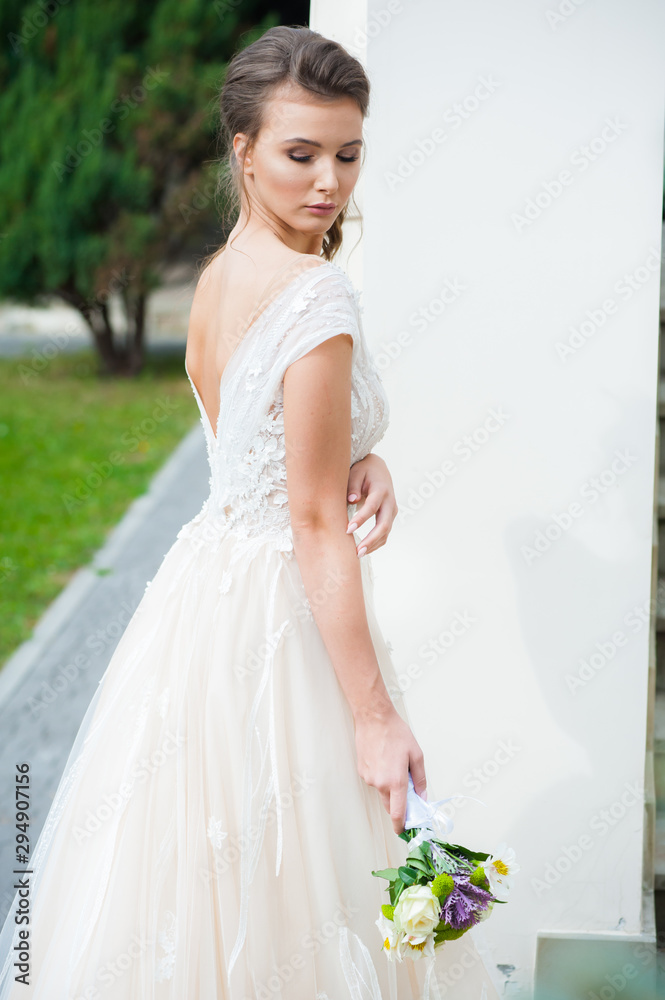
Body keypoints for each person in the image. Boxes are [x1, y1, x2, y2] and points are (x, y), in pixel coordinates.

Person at [0, 24, 443, 1000]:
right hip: (285, 612)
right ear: (243, 150)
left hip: (202, 598)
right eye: (300, 153)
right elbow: (313, 524)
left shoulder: (220, 274)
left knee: (196, 873)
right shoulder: (315, 294)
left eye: (347, 153)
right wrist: (374, 717)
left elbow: (257, 443)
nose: (329, 181)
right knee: (309, 870)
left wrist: (355, 455)